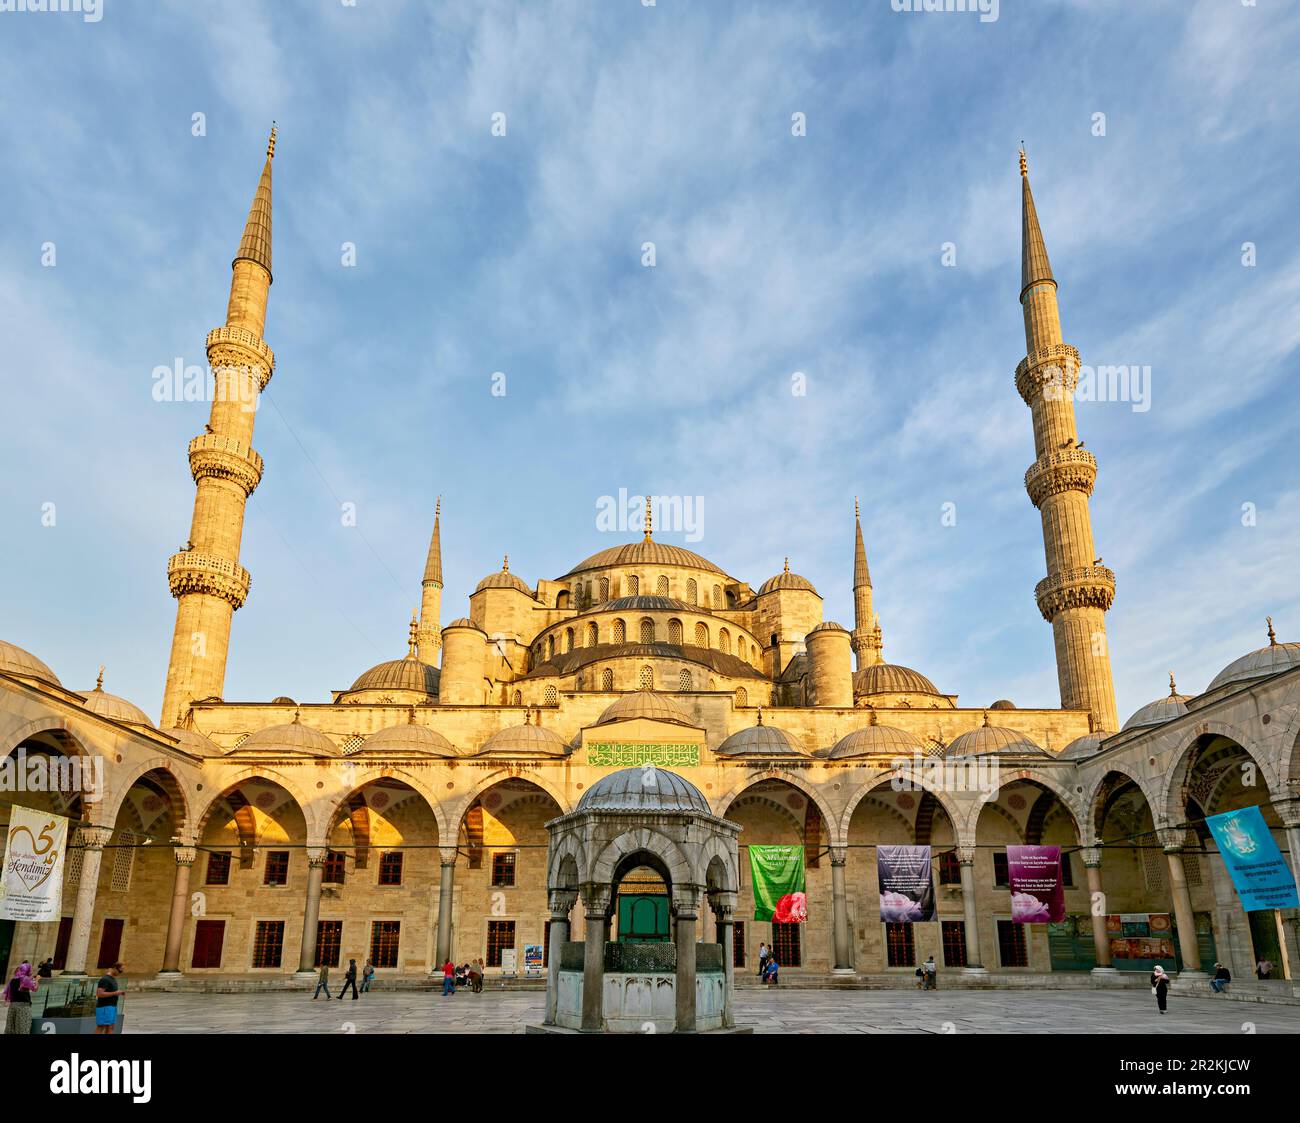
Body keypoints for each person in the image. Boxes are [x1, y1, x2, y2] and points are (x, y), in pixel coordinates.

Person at [4, 962, 40, 1035]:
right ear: (27, 970)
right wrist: (37, 980)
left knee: (11, 1028)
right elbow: (35, 989)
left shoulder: (13, 980)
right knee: (23, 1028)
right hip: (23, 1007)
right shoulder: (25, 979)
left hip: (13, 1006)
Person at [95, 962, 124, 1034]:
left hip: (112, 1006)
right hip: (105, 1006)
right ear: (114, 968)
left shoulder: (113, 979)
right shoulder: (105, 979)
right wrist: (115, 993)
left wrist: (118, 992)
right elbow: (99, 994)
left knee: (111, 1026)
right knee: (101, 1026)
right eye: (120, 970)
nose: (121, 972)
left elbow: (111, 991)